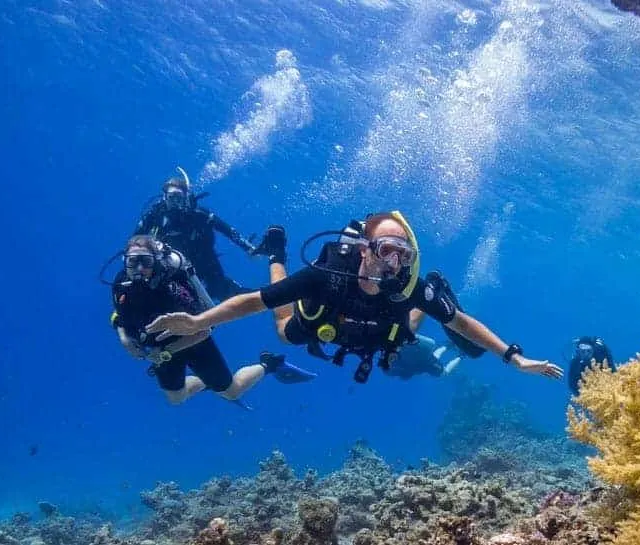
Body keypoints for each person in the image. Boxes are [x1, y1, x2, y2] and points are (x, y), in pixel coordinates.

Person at [145, 211, 564, 384]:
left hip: (382, 335)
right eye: (386, 251)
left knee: (415, 321)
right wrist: (200, 323)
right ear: (366, 250)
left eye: (403, 255)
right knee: (283, 331)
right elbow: (256, 300)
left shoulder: (405, 285)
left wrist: (515, 357)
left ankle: (434, 291)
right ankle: (276, 254)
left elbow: (460, 323)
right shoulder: (326, 276)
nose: (394, 263)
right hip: (323, 321)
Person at [111, 235, 315, 405]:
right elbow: (120, 314)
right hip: (160, 350)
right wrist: (124, 338)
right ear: (125, 261)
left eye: (145, 261)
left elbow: (204, 330)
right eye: (132, 261)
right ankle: (206, 382)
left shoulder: (173, 290)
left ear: (155, 261)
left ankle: (269, 364)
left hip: (194, 343)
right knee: (176, 398)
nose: (138, 268)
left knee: (231, 391)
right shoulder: (121, 284)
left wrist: (166, 352)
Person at [133, 167, 261, 301]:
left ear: (186, 198)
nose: (176, 202)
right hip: (170, 266)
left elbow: (227, 230)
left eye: (179, 198)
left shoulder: (199, 215)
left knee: (220, 290)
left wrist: (248, 248)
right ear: (164, 198)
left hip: (203, 261)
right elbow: (135, 241)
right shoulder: (155, 216)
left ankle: (268, 296)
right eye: (172, 198)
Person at [385, 334, 463, 380]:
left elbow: (403, 375)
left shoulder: (388, 346)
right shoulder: (390, 341)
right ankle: (449, 346)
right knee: (432, 353)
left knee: (443, 372)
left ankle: (460, 355)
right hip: (420, 354)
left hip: (420, 359)